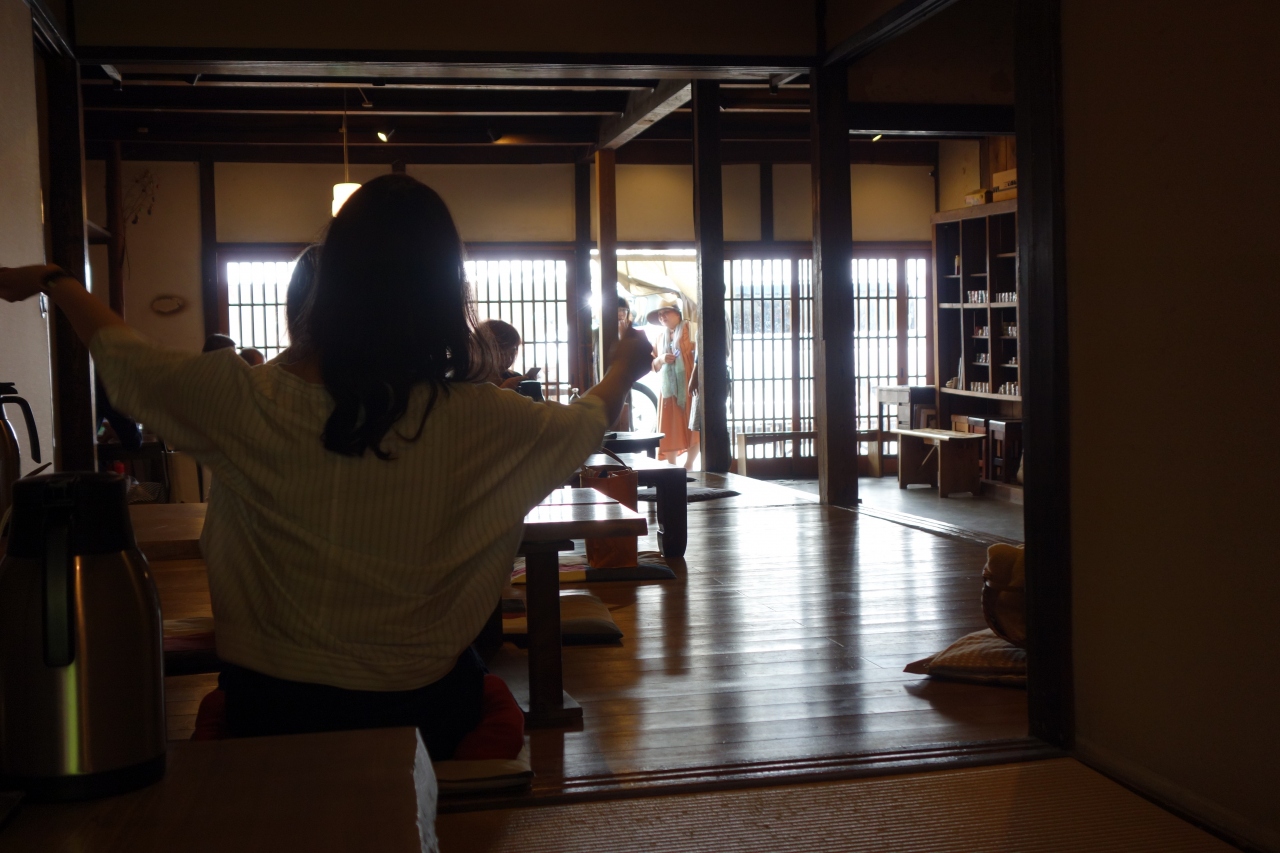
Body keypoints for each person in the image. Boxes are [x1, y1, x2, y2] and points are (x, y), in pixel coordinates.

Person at [0, 173, 654, 759]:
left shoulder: (246, 397)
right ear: (446, 291)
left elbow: (127, 358)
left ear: (329, 282)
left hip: (271, 711)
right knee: (478, 682)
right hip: (424, 713)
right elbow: (583, 423)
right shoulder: (488, 418)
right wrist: (623, 367)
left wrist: (58, 281)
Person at [648, 296, 698, 468]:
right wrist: (661, 359)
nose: (662, 316)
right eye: (660, 314)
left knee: (693, 424)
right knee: (669, 425)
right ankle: (671, 465)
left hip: (690, 384)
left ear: (677, 313)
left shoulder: (690, 329)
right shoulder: (659, 337)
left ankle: (689, 464)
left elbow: (700, 355)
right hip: (668, 388)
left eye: (666, 312)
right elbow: (652, 364)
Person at [475, 318, 536, 391]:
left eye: (513, 351)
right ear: (484, 348)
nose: (509, 358)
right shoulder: (471, 379)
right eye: (503, 351)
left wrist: (531, 387)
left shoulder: (513, 377)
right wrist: (504, 390)